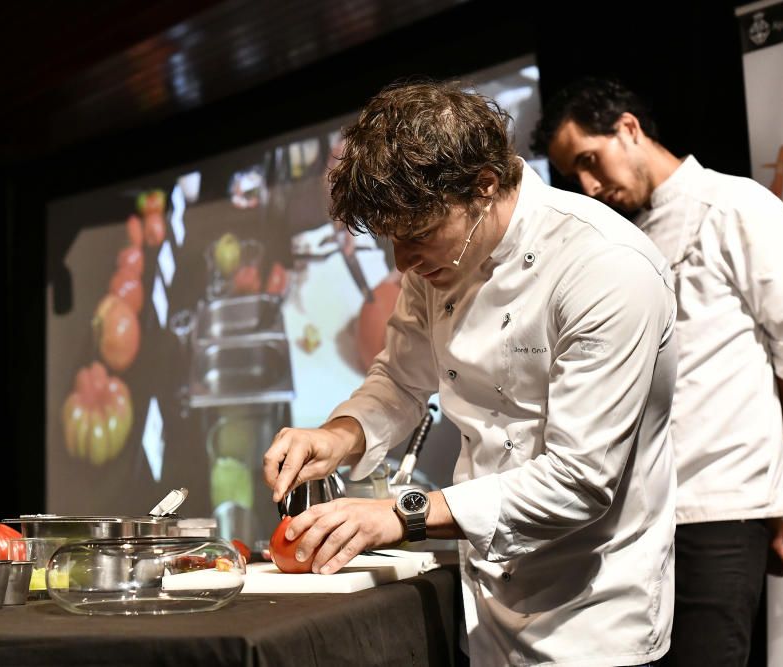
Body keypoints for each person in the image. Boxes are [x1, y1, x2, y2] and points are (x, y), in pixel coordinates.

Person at [263, 80, 679, 666]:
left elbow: (580, 479)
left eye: (416, 237)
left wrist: (401, 515)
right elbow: (401, 380)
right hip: (485, 600)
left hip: (594, 610)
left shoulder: (606, 267)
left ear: (484, 187)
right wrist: (339, 434)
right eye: (391, 242)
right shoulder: (436, 264)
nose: (401, 263)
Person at [532, 77, 783, 666]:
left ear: (628, 128)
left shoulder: (738, 208)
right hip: (633, 526)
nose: (591, 188)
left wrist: (755, 480)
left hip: (717, 512)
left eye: (592, 163)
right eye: (576, 177)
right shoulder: (616, 244)